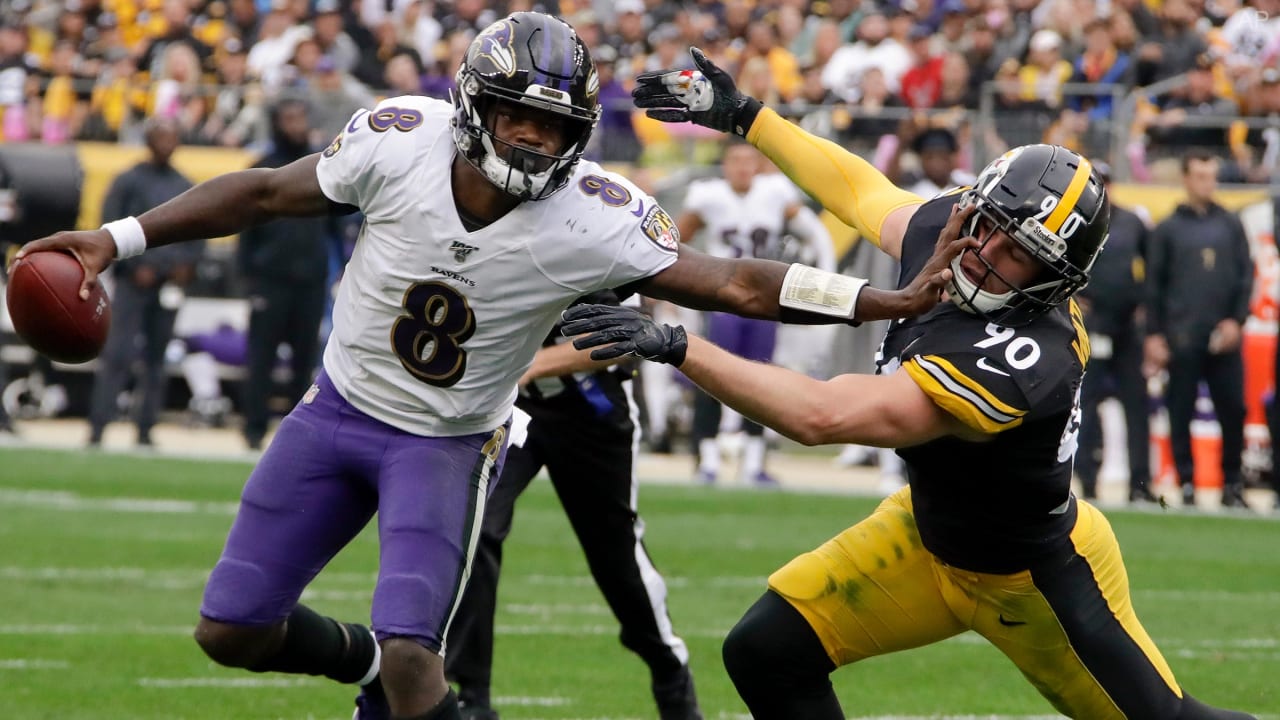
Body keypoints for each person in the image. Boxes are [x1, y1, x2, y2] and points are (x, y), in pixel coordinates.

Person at [15, 15, 960, 720]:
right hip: (334, 413)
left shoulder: (597, 212)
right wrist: (114, 236)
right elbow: (263, 192)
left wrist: (883, 299)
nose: (535, 142)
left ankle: (392, 675)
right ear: (476, 107)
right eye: (518, 118)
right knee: (229, 632)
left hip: (447, 442)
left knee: (420, 660)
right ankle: (358, 667)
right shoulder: (400, 140)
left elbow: (739, 285)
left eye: (555, 129)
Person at [597, 46, 1261, 720]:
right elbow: (858, 190)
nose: (985, 255)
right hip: (926, 534)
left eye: (1021, 257)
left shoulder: (1031, 353)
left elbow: (822, 416)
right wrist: (748, 116)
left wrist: (679, 347)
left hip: (1030, 583)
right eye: (989, 228)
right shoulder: (954, 232)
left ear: (1054, 283)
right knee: (765, 651)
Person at [445, 291, 702, 720]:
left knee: (616, 560)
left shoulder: (600, 235)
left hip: (590, 414)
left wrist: (530, 365)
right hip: (511, 409)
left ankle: (669, 669)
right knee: (476, 524)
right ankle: (472, 696)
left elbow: (625, 337)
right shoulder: (494, 229)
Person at [675, 139, 835, 486]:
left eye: (749, 160)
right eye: (735, 161)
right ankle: (708, 459)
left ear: (759, 165)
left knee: (764, 378)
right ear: (725, 165)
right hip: (719, 297)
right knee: (710, 375)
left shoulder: (774, 191)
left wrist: (822, 267)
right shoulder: (708, 195)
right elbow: (673, 240)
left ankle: (754, 462)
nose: (743, 168)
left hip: (762, 299)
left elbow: (814, 232)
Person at [1144, 152, 1254, 509]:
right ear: (1187, 179)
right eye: (1202, 176)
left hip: (1224, 335)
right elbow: (1154, 285)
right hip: (1182, 335)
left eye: (1213, 176)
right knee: (1180, 409)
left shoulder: (1230, 224)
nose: (1209, 183)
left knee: (1233, 410)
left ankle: (1232, 483)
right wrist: (1156, 334)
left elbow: (1245, 277)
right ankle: (1187, 481)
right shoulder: (1168, 228)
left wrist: (1236, 320)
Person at [87, 117, 204, 448]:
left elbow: (199, 230)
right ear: (149, 140)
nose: (167, 144)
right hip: (133, 284)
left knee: (157, 358)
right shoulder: (128, 180)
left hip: (169, 285)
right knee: (118, 354)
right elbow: (108, 226)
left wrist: (186, 266)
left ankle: (145, 428)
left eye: (172, 137)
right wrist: (133, 266)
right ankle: (98, 427)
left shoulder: (185, 183)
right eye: (161, 137)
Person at [237, 98, 330, 450]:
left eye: (301, 117)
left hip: (310, 282)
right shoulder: (262, 169)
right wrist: (249, 277)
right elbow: (246, 230)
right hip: (270, 281)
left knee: (305, 360)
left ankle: (296, 432)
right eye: (289, 118)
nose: (297, 125)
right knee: (261, 357)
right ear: (276, 123)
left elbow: (335, 226)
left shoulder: (322, 168)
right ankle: (253, 429)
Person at [1074, 161, 1155, 504]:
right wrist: (1073, 294)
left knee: (1136, 402)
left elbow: (1154, 266)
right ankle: (1088, 479)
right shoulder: (1076, 224)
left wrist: (1145, 307)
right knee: (1087, 404)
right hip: (1093, 323)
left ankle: (1140, 482)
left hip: (1126, 325)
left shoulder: (1132, 221)